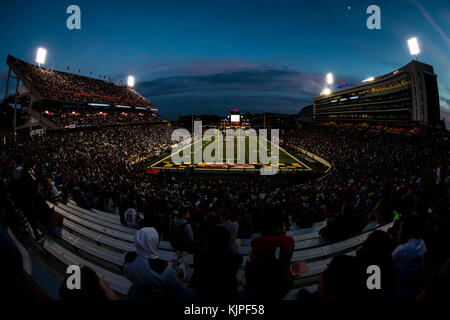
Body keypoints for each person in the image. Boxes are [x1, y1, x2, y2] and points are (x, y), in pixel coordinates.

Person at [123, 227, 194, 301]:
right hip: (161, 290)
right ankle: (184, 259)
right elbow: (175, 289)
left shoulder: (127, 257)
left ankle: (175, 258)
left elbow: (129, 275)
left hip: (144, 284)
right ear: (153, 242)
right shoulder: (162, 268)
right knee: (180, 270)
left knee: (170, 266)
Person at [245, 215, 294, 300]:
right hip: (279, 287)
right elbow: (285, 265)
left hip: (257, 288)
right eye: (284, 225)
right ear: (278, 229)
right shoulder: (287, 240)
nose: (285, 228)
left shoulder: (255, 241)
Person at [191, 226, 243, 301]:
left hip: (204, 294)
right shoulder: (236, 259)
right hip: (227, 295)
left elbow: (195, 278)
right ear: (227, 242)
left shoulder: (201, 257)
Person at [392, 215, 427, 300]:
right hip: (418, 287)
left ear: (405, 231)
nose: (397, 232)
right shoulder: (422, 243)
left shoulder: (400, 251)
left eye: (400, 229)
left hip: (404, 295)